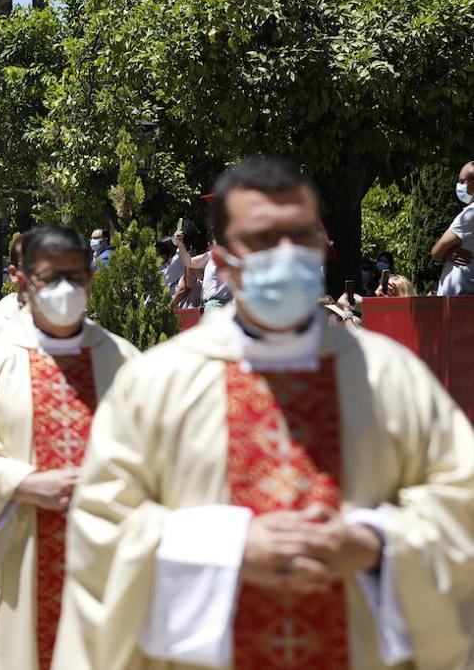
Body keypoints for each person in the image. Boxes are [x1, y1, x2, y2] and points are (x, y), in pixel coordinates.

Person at [55, 156, 474, 669]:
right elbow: (101, 524)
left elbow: (460, 499)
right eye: (261, 240)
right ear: (222, 260)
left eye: (299, 236)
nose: (284, 255)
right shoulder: (158, 382)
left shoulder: (390, 376)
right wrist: (228, 546)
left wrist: (374, 543)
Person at [0, 227, 139, 669]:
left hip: (109, 557)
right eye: (51, 278)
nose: (66, 289)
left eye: (77, 277)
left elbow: (162, 459)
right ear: (21, 280)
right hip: (16, 555)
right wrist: (22, 482)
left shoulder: (126, 362)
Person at [431, 159, 474, 295]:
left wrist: (445, 253)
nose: (459, 186)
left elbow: (436, 252)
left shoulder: (470, 214)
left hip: (460, 294)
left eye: (462, 181)